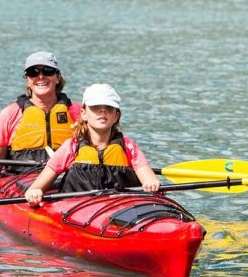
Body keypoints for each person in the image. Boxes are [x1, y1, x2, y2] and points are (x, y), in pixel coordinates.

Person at [24, 83, 161, 206]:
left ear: (116, 116)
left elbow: (149, 179)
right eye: (95, 107)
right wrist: (34, 193)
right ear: (83, 114)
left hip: (119, 209)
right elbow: (37, 187)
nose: (102, 111)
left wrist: (151, 184)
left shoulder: (128, 147)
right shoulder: (71, 147)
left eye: (108, 107)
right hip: (77, 211)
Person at [0, 51, 81, 183]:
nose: (40, 76)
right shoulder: (10, 114)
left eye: (47, 71)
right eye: (33, 72)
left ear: (57, 77)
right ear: (27, 80)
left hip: (70, 184)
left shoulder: (80, 113)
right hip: (21, 185)